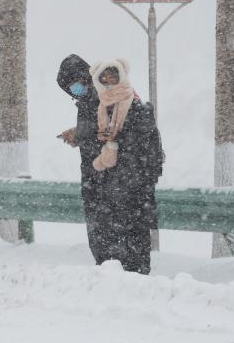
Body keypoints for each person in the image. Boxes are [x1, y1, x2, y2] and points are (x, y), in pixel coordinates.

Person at [56, 55, 164, 275]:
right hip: (99, 189)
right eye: (71, 90)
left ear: (86, 77)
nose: (75, 91)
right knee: (106, 256)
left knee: (128, 257)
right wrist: (79, 134)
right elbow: (101, 133)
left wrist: (136, 181)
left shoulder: (115, 97)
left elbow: (128, 134)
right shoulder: (88, 104)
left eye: (76, 85)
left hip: (121, 189)